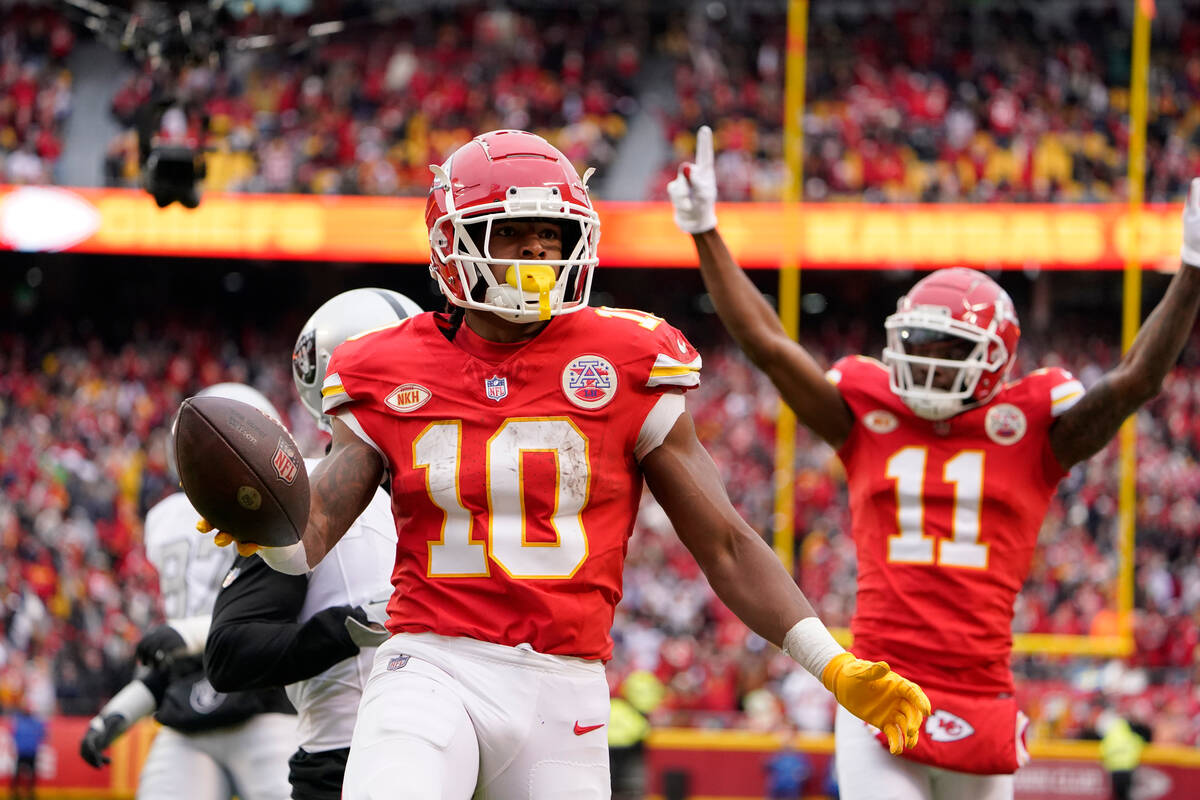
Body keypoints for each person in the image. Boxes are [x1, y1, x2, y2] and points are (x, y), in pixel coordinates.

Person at [198, 129, 929, 800]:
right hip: (429, 663)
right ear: (451, 240)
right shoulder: (384, 364)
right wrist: (263, 523)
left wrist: (829, 662)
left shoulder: (629, 356)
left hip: (564, 684)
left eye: (552, 239)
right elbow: (316, 529)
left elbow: (727, 544)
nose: (537, 258)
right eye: (512, 236)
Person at [666, 126, 1200, 800]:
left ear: (996, 358)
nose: (927, 359)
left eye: (949, 348)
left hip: (980, 693)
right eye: (918, 341)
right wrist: (706, 228)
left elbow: (1137, 380)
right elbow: (770, 345)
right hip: (881, 686)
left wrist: (1192, 267)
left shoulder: (1036, 431)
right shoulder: (865, 414)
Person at [202, 289, 421, 800]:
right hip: (347, 759)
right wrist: (350, 627)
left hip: (467, 747)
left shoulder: (454, 475)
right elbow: (230, 652)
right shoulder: (307, 494)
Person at [79, 383, 298, 800]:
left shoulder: (273, 519)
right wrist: (116, 714)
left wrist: (187, 635)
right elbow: (168, 658)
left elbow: (275, 620)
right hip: (187, 717)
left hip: (262, 701)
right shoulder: (166, 517)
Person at [9, 700, 46, 800]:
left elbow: (42, 735)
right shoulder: (20, 721)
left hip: (30, 752)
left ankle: (29, 793)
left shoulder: (34, 722)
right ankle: (15, 792)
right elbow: (14, 736)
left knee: (31, 775)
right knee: (17, 775)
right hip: (23, 752)